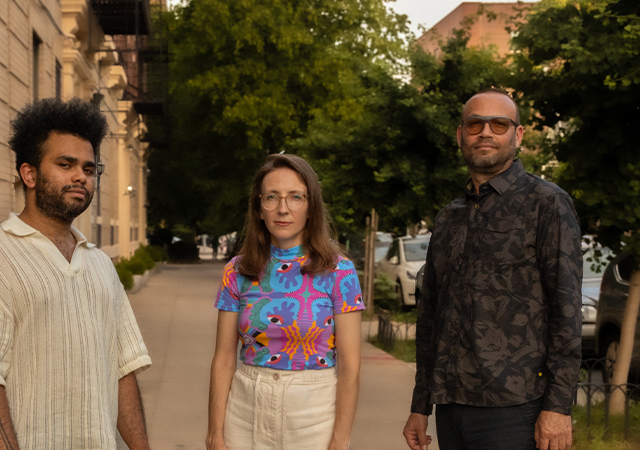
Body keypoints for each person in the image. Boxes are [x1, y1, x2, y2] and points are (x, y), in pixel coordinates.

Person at [0, 98, 152, 450]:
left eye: (89, 169)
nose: (80, 176)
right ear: (29, 174)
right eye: (65, 164)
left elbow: (123, 369)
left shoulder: (101, 266)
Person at [402, 89, 582, 450]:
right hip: (451, 407)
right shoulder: (448, 217)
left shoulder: (547, 204)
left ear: (518, 135)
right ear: (460, 135)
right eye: (475, 124)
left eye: (499, 124)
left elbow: (566, 311)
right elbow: (431, 315)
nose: (485, 132)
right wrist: (420, 405)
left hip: (515, 410)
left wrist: (558, 408)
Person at [207, 154, 365, 450]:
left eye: (295, 197)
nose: (283, 208)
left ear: (311, 207)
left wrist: (340, 439)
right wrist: (215, 432)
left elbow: (350, 367)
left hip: (314, 417)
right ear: (258, 208)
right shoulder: (237, 271)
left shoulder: (339, 272)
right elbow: (224, 358)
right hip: (244, 412)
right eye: (271, 197)